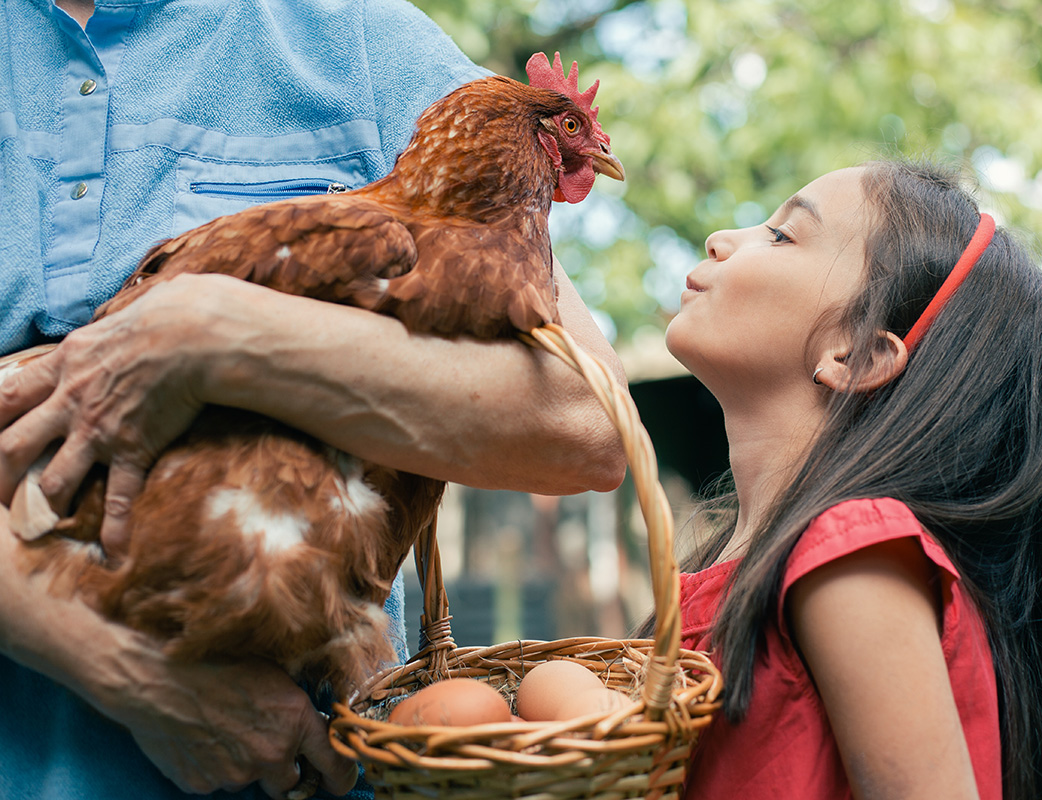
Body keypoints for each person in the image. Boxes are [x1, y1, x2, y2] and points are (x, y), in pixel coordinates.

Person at [0, 1, 625, 798]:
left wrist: (213, 336)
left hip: (307, 759)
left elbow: (589, 423)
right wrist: (128, 673)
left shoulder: (357, 36)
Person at [661, 160, 1042, 799]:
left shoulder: (849, 550)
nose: (720, 239)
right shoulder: (728, 563)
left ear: (857, 354)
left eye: (781, 235)